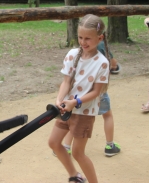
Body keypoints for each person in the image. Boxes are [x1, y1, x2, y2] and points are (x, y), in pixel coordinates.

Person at [48, 14, 110, 183]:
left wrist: (75, 102)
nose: (83, 42)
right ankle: (75, 175)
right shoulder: (72, 54)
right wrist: (59, 99)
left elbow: (96, 92)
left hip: (84, 112)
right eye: (80, 37)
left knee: (77, 152)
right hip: (65, 110)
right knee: (54, 143)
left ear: (100, 38)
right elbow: (66, 81)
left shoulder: (102, 63)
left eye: (88, 38)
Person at [54, 42, 121, 157]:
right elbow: (113, 63)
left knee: (73, 117)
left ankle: (66, 146)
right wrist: (115, 66)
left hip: (78, 93)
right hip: (97, 93)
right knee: (107, 115)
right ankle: (110, 145)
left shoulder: (82, 48)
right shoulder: (99, 44)